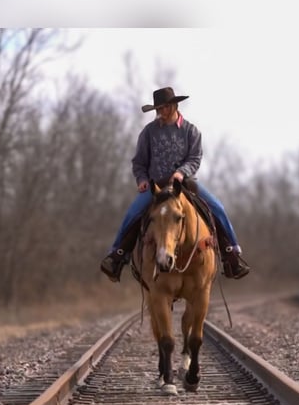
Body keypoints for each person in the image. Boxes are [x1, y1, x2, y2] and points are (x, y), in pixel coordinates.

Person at [100, 86, 250, 282]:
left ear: (174, 106)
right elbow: (139, 163)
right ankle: (117, 257)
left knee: (217, 207)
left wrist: (181, 173)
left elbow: (195, 158)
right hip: (156, 186)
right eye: (158, 109)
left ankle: (231, 255)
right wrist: (143, 180)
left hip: (184, 183)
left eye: (163, 108)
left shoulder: (191, 131)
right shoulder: (148, 132)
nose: (160, 112)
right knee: (133, 213)